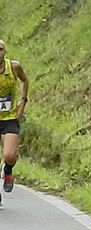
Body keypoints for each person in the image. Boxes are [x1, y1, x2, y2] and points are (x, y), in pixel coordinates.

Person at [0, 39, 29, 207]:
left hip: (10, 118)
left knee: (9, 156)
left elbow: (25, 81)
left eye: (1, 49)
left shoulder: (14, 67)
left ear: (5, 52)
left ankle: (8, 171)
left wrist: (23, 102)